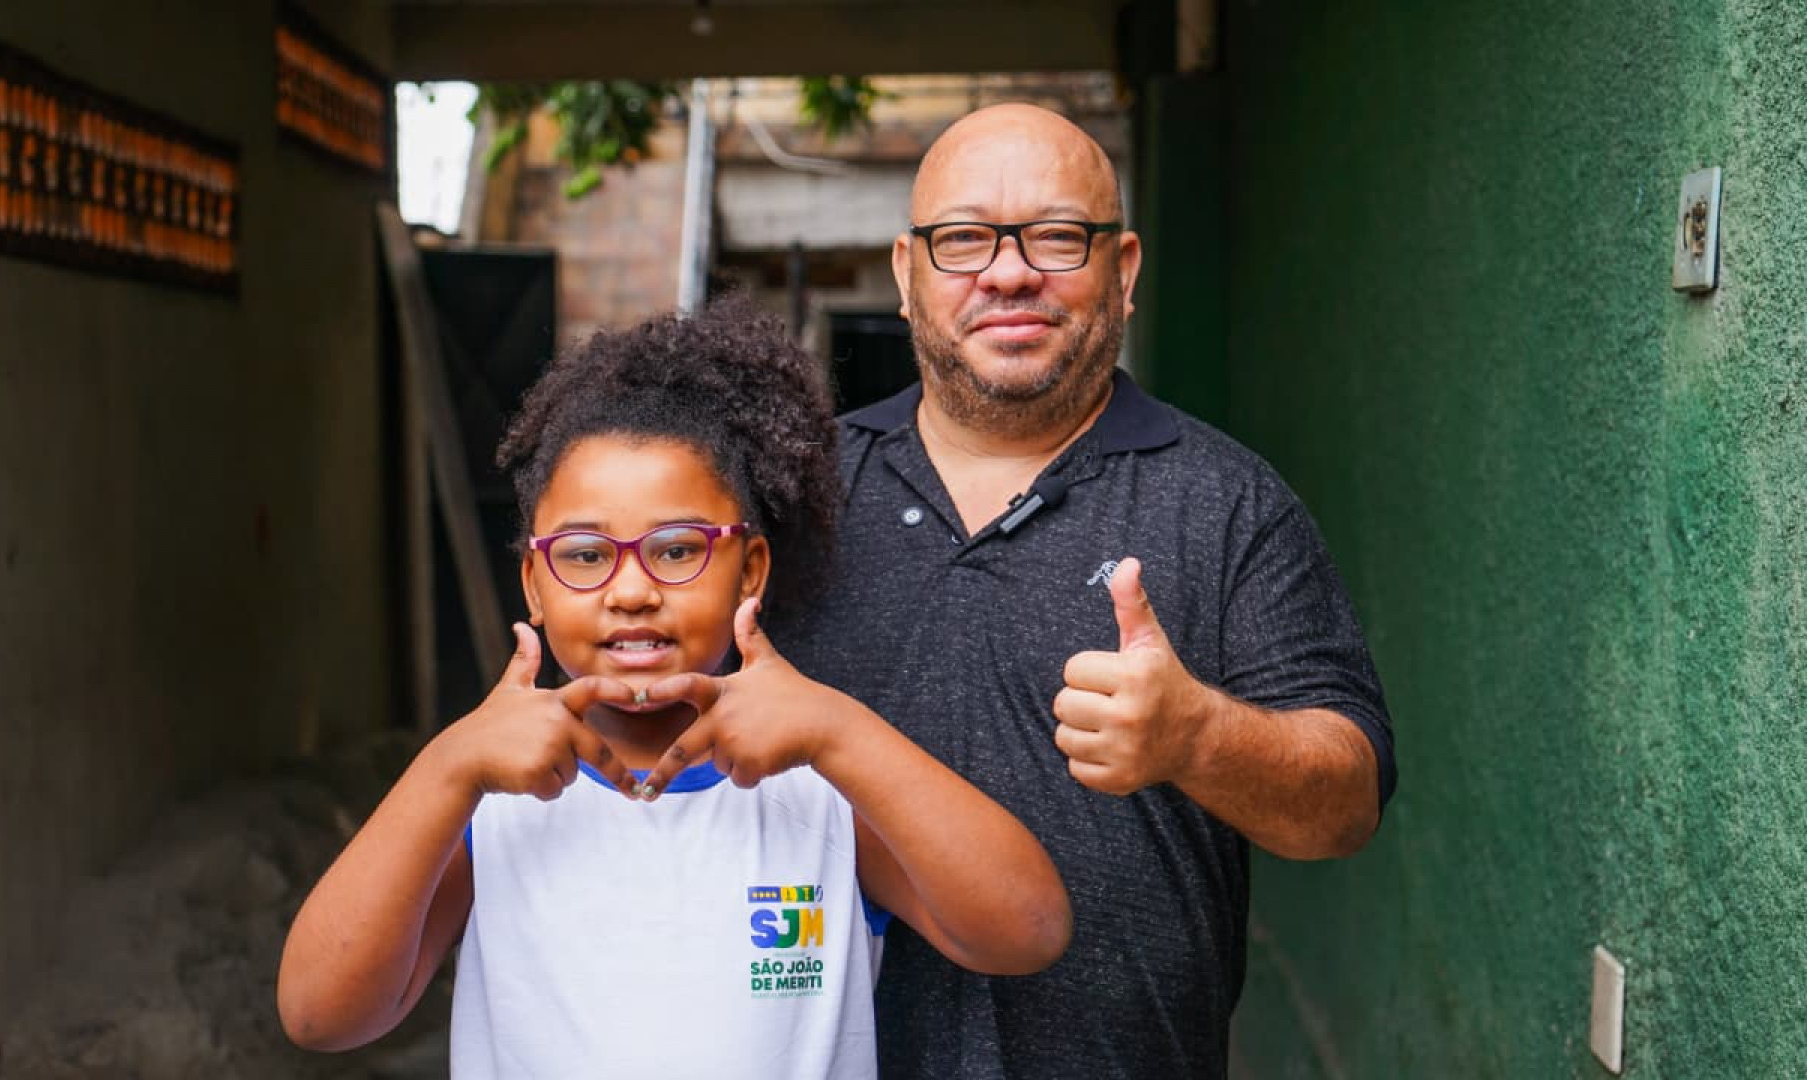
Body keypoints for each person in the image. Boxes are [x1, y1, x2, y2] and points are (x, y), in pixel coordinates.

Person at [745, 103, 1399, 1078]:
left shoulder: (1226, 502)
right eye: (963, 239)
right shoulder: (791, 503)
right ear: (905, 273)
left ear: (1123, 271)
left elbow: (1344, 806)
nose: (1009, 273)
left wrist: (1197, 737)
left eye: (1056, 237)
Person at [275, 298, 1070, 1078]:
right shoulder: (488, 807)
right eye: (585, 555)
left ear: (750, 570)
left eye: (678, 548)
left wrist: (839, 732)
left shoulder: (824, 792)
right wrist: (446, 767)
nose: (630, 591)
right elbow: (321, 1015)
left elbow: (1026, 932)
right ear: (535, 586)